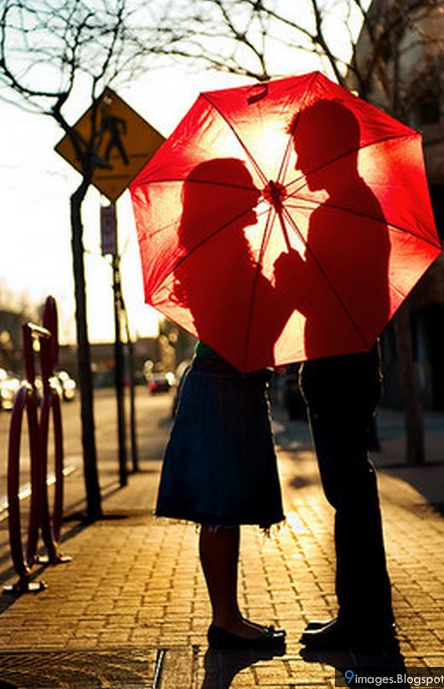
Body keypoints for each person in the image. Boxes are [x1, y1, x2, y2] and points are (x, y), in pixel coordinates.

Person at [155, 158, 288, 651]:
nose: (255, 197)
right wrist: (282, 291)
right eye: (246, 191)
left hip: (228, 385)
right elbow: (244, 334)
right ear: (227, 201)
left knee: (224, 507)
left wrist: (277, 285)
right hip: (222, 385)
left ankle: (228, 617)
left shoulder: (227, 250)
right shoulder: (219, 256)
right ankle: (226, 620)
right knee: (218, 507)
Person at [280, 101, 396, 653]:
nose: (300, 159)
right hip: (352, 365)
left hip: (338, 369)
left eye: (304, 148)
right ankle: (366, 612)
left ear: (330, 149)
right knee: (353, 492)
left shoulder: (337, 213)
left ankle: (364, 618)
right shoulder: (356, 205)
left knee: (349, 495)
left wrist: (290, 276)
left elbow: (331, 301)